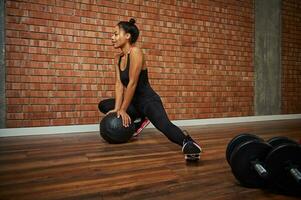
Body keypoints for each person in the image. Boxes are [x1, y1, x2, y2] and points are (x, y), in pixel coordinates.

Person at [98, 18, 202, 161]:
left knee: (164, 126)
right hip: (134, 104)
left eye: (116, 34)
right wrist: (117, 108)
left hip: (148, 101)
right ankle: (139, 118)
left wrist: (123, 109)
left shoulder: (136, 52)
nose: (112, 37)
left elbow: (132, 83)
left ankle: (188, 142)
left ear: (127, 36)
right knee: (104, 105)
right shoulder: (118, 58)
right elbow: (118, 84)